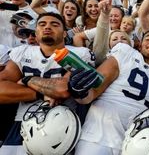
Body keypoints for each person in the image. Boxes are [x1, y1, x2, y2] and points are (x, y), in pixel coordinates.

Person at [72, 27, 149, 154]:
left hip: (136, 144)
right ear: (139, 45)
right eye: (148, 39)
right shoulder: (125, 53)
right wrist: (80, 92)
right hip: (99, 136)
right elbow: (94, 90)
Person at [0, 12, 95, 155]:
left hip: (60, 127)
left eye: (55, 24)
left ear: (64, 33)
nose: (48, 27)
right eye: (42, 24)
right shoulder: (23, 52)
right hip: (23, 123)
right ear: (36, 33)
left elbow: (62, 90)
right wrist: (40, 93)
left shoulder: (80, 53)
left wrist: (27, 80)